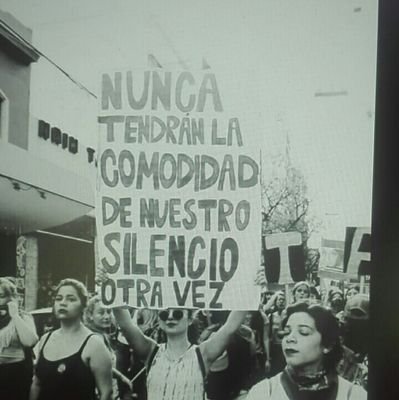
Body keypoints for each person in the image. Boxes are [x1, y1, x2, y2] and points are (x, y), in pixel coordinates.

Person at [114, 307, 247, 400]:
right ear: (159, 321)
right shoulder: (151, 351)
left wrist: (253, 285)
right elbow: (126, 324)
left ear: (190, 319)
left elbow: (230, 327)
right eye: (164, 314)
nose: (170, 317)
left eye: (177, 314)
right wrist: (108, 281)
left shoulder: (202, 354)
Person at [246, 302, 367, 399]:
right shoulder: (264, 393)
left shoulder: (354, 395)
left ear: (328, 345)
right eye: (287, 332)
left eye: (303, 332)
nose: (290, 339)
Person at [30, 279, 113, 400]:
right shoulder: (45, 339)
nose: (63, 303)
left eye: (71, 299)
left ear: (83, 306)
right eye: (59, 299)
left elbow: (106, 393)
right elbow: (37, 384)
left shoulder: (94, 344)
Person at [84, 295, 132, 399]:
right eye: (101, 313)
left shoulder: (103, 336)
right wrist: (122, 378)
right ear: (90, 315)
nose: (106, 316)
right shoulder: (93, 338)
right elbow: (100, 366)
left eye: (109, 312)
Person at [0, 277, 38, 400]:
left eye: (1, 296)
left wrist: (15, 315)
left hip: (15, 378)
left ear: (11, 298)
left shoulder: (23, 317)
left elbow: (30, 341)